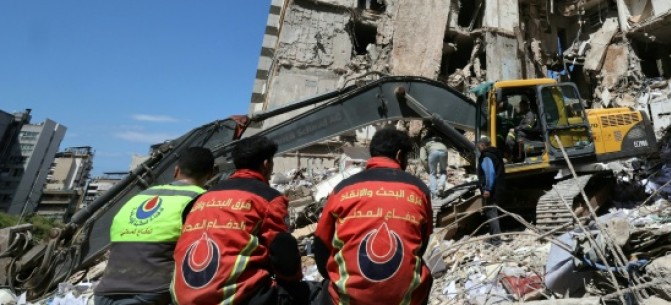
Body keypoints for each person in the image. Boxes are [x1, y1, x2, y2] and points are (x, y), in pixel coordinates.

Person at [171, 135, 309, 305]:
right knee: (309, 292)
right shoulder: (268, 199)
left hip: (182, 297)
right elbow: (282, 252)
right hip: (234, 297)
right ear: (266, 164)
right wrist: (292, 280)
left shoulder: (202, 198)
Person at [314, 128, 433, 305]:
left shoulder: (343, 189)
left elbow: (321, 244)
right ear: (400, 155)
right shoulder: (419, 190)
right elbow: (421, 242)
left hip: (346, 299)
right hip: (405, 299)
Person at [94, 147, 215, 305]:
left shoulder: (142, 196)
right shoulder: (203, 200)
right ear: (211, 174)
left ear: (176, 170)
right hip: (152, 293)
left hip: (105, 291)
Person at [476, 136, 505, 241]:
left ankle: (496, 239)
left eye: (479, 145)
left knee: (491, 212)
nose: (478, 148)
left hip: (491, 189)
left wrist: (487, 189)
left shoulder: (487, 156)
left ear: (482, 145)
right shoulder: (495, 153)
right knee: (492, 211)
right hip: (498, 186)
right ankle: (494, 236)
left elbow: (489, 173)